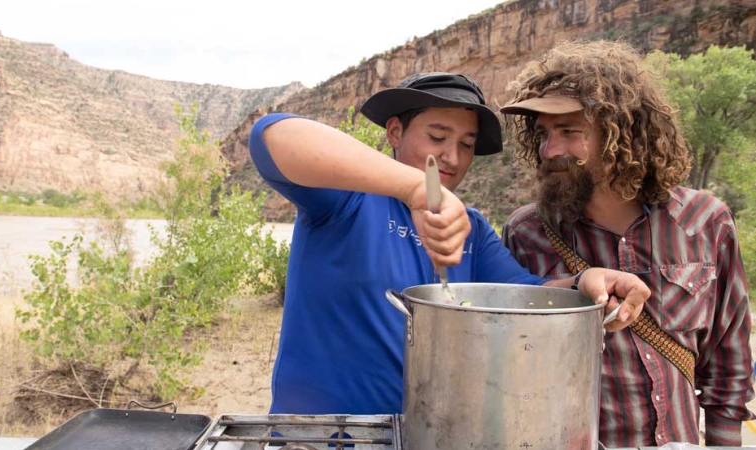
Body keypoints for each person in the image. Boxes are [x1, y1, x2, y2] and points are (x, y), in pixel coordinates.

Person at [248, 72, 650, 416]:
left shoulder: (471, 229)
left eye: (467, 144)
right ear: (394, 132)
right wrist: (417, 189)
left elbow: (526, 294)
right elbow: (270, 136)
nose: (452, 156)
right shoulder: (345, 200)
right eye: (438, 136)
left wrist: (587, 282)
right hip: (323, 434)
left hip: (425, 433)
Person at [499, 40, 755, 447]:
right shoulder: (526, 233)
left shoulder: (705, 223)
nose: (550, 150)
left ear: (625, 135)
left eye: (570, 131)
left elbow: (730, 365)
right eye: (544, 133)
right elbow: (510, 369)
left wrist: (724, 444)